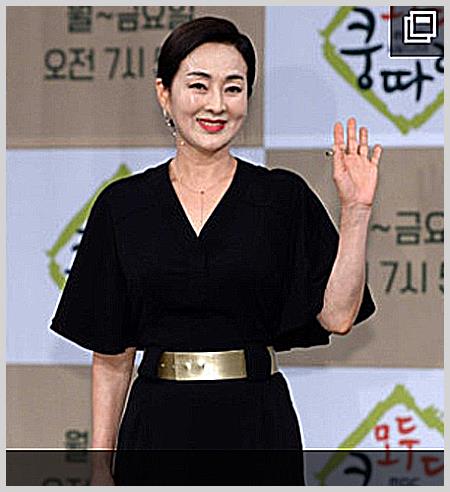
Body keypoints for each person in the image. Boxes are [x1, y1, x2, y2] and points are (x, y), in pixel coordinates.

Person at [49, 16, 382, 485]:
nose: (216, 104)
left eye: (233, 88)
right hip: (158, 427)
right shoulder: (123, 206)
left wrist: (356, 210)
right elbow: (112, 353)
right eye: (198, 85)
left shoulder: (281, 197)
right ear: (164, 93)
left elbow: (338, 316)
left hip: (256, 425)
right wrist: (100, 465)